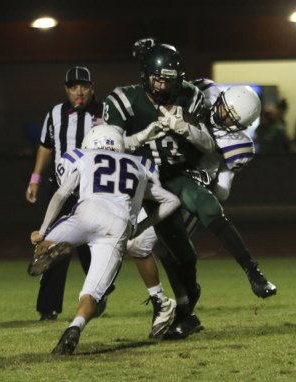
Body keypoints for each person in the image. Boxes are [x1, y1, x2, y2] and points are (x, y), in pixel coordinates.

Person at [104, 45, 277, 340]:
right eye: (222, 108)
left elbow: (221, 187)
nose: (222, 116)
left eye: (231, 117)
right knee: (148, 246)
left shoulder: (235, 144)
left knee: (192, 229)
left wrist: (187, 136)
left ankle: (251, 272)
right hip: (144, 178)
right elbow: (164, 71)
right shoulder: (202, 93)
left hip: (183, 178)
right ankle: (165, 302)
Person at [27, 124, 181, 355]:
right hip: (119, 225)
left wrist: (42, 230)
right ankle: (75, 326)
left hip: (88, 211)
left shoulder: (83, 156)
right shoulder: (141, 165)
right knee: (93, 293)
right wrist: (140, 227)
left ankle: (49, 251)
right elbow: (172, 201)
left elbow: (61, 194)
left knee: (42, 244)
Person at [104, 44, 215, 338]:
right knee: (142, 246)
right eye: (158, 79)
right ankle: (166, 303)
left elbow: (207, 147)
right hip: (135, 186)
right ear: (146, 76)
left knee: (175, 253)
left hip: (176, 184)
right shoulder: (123, 99)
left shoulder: (190, 97)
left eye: (170, 79)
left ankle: (183, 306)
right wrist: (141, 136)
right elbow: (110, 146)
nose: (164, 86)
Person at [25, 66, 103, 321]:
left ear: (92, 87)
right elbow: (46, 147)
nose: (79, 91)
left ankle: (98, 296)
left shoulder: (105, 113)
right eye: (73, 87)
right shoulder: (55, 114)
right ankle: (49, 309)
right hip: (60, 188)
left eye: (84, 86)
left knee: (91, 248)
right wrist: (35, 179)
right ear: (66, 89)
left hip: (92, 191)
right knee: (53, 246)